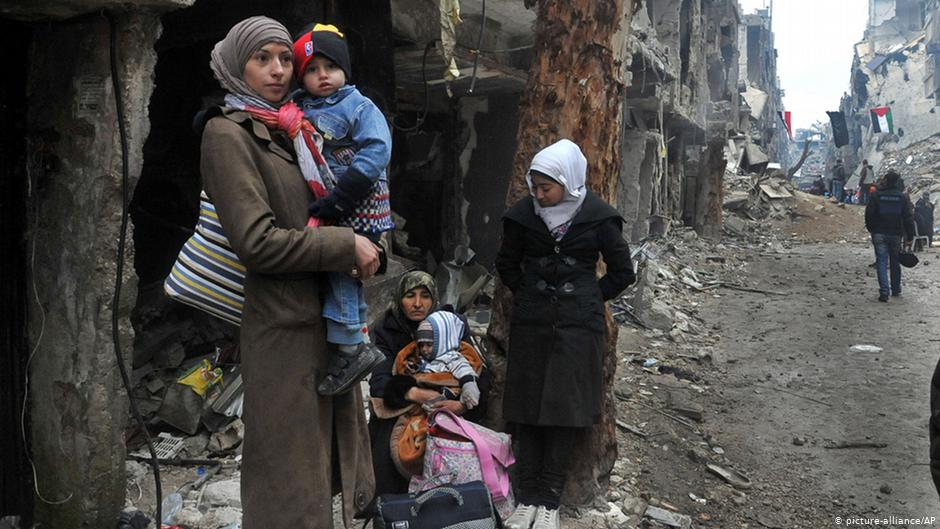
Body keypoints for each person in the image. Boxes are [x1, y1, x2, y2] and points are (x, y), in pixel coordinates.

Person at [200, 16, 377, 528]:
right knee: (288, 479)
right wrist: (345, 244)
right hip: (282, 331)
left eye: (284, 59)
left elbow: (331, 207)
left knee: (323, 474)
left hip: (326, 322)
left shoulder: (294, 128)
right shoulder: (227, 133)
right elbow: (257, 243)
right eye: (262, 59)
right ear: (238, 65)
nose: (279, 70)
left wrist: (369, 243)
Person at [495, 139, 636, 529]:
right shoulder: (523, 216)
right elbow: (506, 264)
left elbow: (624, 272)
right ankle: (526, 500)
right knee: (528, 412)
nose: (539, 195)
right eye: (535, 187)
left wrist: (589, 298)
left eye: (547, 188)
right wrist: (529, 295)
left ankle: (550, 503)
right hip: (532, 327)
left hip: (578, 332)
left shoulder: (598, 218)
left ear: (568, 182)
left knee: (563, 414)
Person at [291, 23, 394, 395]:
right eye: (312, 69)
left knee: (341, 271)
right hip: (334, 202)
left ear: (344, 70)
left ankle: (351, 347)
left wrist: (343, 196)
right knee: (343, 271)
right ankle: (357, 338)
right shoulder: (299, 106)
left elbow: (378, 150)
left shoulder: (358, 105)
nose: (322, 76)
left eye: (329, 67)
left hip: (358, 203)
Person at [367, 271, 491, 497]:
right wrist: (421, 395)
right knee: (386, 443)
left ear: (434, 298)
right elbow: (380, 383)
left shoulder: (450, 325)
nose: (417, 303)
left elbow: (476, 373)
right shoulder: (387, 329)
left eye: (425, 296)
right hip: (405, 406)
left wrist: (460, 405)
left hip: (454, 406)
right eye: (409, 296)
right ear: (399, 299)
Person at [408, 313, 481, 410]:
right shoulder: (422, 358)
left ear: (442, 341)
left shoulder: (451, 357)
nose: (424, 349)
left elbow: (464, 370)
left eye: (429, 344)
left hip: (446, 398)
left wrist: (469, 386)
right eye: (421, 345)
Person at [865, 170, 915, 302]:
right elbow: (908, 218)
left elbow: (869, 215)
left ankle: (884, 292)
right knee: (895, 262)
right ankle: (896, 289)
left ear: (886, 181)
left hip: (879, 233)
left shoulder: (876, 195)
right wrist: (910, 236)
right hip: (896, 234)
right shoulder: (902, 198)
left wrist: (872, 230)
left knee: (881, 262)